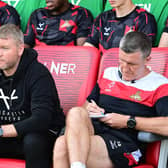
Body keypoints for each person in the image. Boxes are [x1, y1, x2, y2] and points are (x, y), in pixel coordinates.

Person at [53, 31, 168, 168]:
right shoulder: (109, 73)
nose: (125, 69)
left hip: (125, 141)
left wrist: (128, 121)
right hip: (96, 129)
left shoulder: (160, 85)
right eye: (121, 61)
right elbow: (86, 106)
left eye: (132, 64)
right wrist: (89, 109)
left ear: (147, 59)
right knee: (76, 112)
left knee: (62, 146)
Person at [0, 24, 65, 168]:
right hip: (8, 137)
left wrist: (2, 130)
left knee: (33, 141)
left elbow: (41, 119)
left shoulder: (38, 74)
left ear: (20, 49)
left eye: (5, 48)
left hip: (41, 134)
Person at [84, 0, 157, 54]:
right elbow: (89, 46)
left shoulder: (145, 18)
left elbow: (144, 53)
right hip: (102, 70)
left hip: (128, 70)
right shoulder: (102, 18)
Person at [24, 0, 93, 48]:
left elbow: (83, 50)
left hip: (66, 61)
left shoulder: (81, 14)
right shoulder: (37, 14)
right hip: (40, 60)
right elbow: (26, 44)